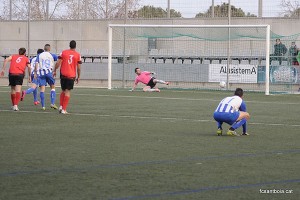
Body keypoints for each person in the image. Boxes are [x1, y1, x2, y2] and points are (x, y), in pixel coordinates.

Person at [53, 40, 82, 114]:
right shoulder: (78, 55)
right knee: (68, 91)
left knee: (63, 90)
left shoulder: (63, 52)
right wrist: (78, 76)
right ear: (75, 46)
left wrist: (54, 70)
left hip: (63, 74)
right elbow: (78, 68)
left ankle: (61, 106)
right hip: (71, 75)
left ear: (69, 45)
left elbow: (58, 63)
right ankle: (64, 109)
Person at [32, 44, 58, 110]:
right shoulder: (52, 55)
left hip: (41, 73)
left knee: (42, 89)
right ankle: (52, 103)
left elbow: (36, 64)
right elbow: (58, 61)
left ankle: (43, 106)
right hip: (49, 73)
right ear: (49, 49)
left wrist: (35, 73)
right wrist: (54, 70)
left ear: (44, 49)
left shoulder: (39, 55)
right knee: (52, 87)